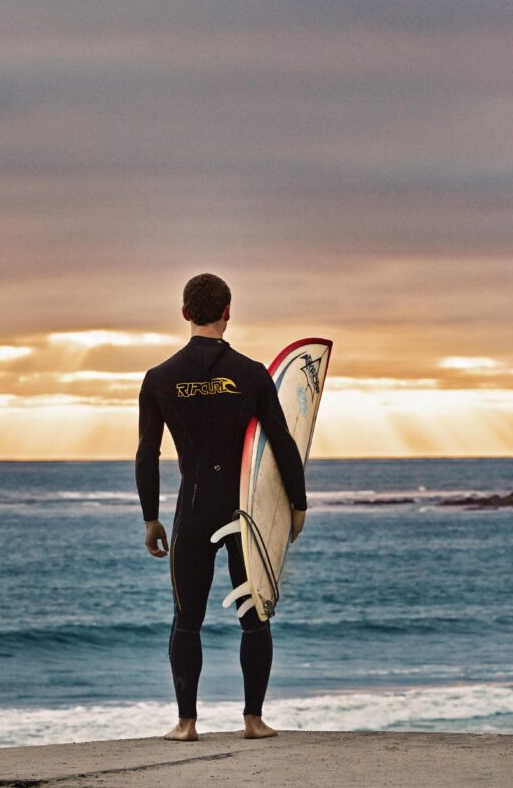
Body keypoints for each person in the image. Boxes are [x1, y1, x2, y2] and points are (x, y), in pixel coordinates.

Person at [135, 273, 307, 741]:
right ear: (228, 312)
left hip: (192, 511)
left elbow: (147, 453)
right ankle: (253, 720)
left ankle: (186, 723)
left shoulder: (159, 379)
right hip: (244, 514)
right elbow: (282, 441)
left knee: (186, 618)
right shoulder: (252, 375)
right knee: (254, 617)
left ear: (185, 313)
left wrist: (150, 516)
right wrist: (297, 503)